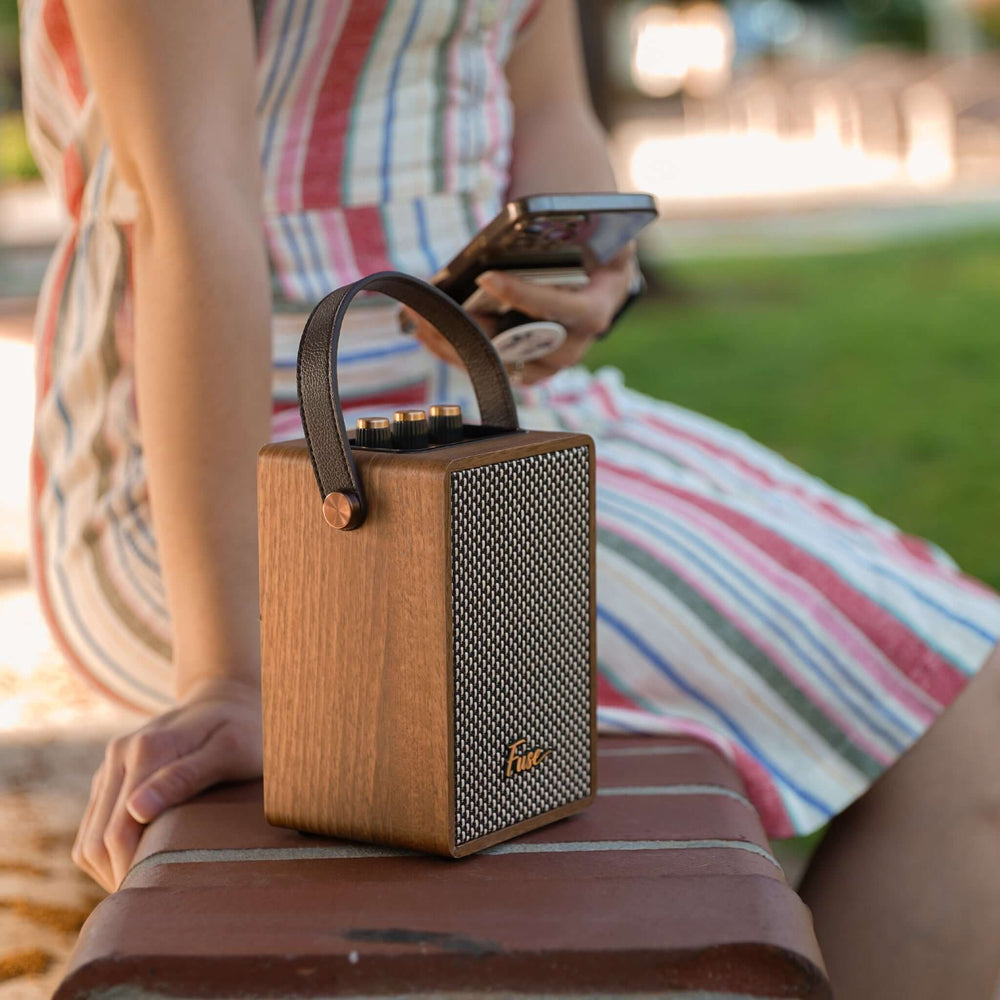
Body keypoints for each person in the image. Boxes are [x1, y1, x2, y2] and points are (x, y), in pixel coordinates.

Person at [19, 1, 1000, 996]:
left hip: (508, 422)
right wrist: (238, 674)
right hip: (250, 484)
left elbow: (552, 107)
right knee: (971, 727)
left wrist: (577, 261)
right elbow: (190, 201)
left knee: (973, 678)